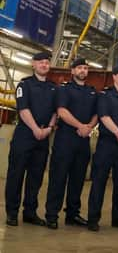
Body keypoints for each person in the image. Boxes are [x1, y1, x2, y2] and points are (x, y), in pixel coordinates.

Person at [45, 58, 97, 229]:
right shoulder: (64, 89)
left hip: (83, 140)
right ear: (73, 71)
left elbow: (97, 113)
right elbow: (62, 111)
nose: (83, 70)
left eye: (85, 68)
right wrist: (81, 126)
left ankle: (72, 214)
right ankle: (52, 215)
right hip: (66, 139)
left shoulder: (91, 91)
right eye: (80, 68)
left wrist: (89, 126)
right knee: (58, 178)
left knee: (78, 179)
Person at [5, 51, 57, 227]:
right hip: (25, 135)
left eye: (46, 63)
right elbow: (23, 109)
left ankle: (30, 212)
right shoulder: (24, 85)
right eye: (40, 62)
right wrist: (36, 129)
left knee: (36, 177)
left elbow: (55, 111)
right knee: (16, 175)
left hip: (43, 137)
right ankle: (12, 213)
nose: (44, 65)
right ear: (33, 64)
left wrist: (49, 128)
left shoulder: (53, 87)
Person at [87, 63, 118, 231]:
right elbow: (104, 116)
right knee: (99, 182)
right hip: (107, 144)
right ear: (114, 76)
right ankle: (93, 218)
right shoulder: (105, 95)